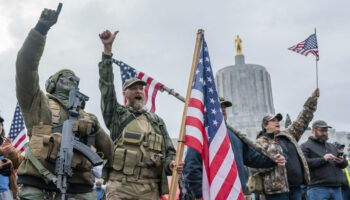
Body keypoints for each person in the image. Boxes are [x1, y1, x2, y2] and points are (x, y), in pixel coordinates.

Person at [15, 4, 113, 199]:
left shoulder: (88, 117)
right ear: (51, 84)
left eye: (73, 78)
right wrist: (40, 30)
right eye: (64, 77)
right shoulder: (38, 102)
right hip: (39, 186)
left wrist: (94, 130)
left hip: (80, 190)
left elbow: (110, 151)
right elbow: (25, 67)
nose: (70, 79)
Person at [98, 29, 184, 200]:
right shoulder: (117, 115)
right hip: (121, 187)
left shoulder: (156, 121)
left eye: (141, 88)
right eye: (133, 88)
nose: (139, 91)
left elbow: (169, 152)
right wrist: (107, 52)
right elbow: (106, 88)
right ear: (125, 94)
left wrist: (172, 164)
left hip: (150, 189)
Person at [183, 97, 285, 199]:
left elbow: (253, 157)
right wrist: (199, 194)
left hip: (240, 193)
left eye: (224, 107)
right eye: (219, 106)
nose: (223, 109)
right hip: (215, 195)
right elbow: (191, 166)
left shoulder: (234, 135)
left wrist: (274, 159)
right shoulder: (202, 135)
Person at [252, 88, 319, 200]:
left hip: (297, 188)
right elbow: (253, 167)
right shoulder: (259, 143)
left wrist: (312, 100)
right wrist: (273, 161)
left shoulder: (288, 135)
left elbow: (302, 121)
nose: (277, 122)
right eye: (273, 120)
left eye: (278, 120)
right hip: (276, 192)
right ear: (265, 125)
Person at [301, 120, 348, 200]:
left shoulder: (332, 146)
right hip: (318, 189)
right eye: (321, 130)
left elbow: (344, 164)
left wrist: (342, 161)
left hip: (336, 189)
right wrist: (323, 159)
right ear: (313, 130)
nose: (325, 133)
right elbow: (304, 164)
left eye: (326, 130)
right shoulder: (305, 146)